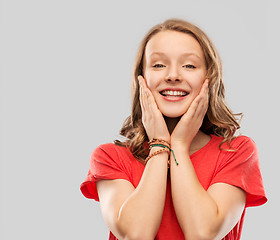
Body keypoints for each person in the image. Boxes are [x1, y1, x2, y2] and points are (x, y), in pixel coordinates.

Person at [80, 18, 267, 240]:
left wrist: (178, 145)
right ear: (142, 78)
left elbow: (202, 234)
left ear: (209, 78)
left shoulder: (236, 152)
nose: (173, 75)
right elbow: (136, 235)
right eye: (159, 65)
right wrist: (160, 142)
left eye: (189, 65)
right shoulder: (110, 157)